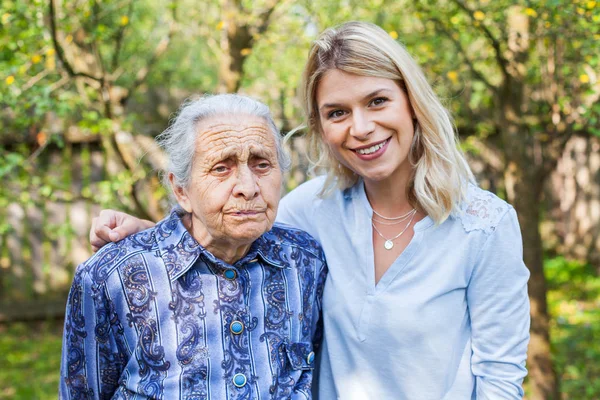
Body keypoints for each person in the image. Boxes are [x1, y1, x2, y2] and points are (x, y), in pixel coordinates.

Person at [89, 22, 530, 399]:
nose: (360, 128)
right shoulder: (310, 208)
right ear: (320, 127)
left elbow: (500, 378)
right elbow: (225, 241)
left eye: (377, 101)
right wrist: (151, 233)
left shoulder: (483, 226)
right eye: (337, 112)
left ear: (411, 101)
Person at [61, 94, 327, 399]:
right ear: (180, 189)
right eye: (221, 168)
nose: (248, 187)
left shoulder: (305, 260)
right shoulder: (111, 278)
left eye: (262, 164)